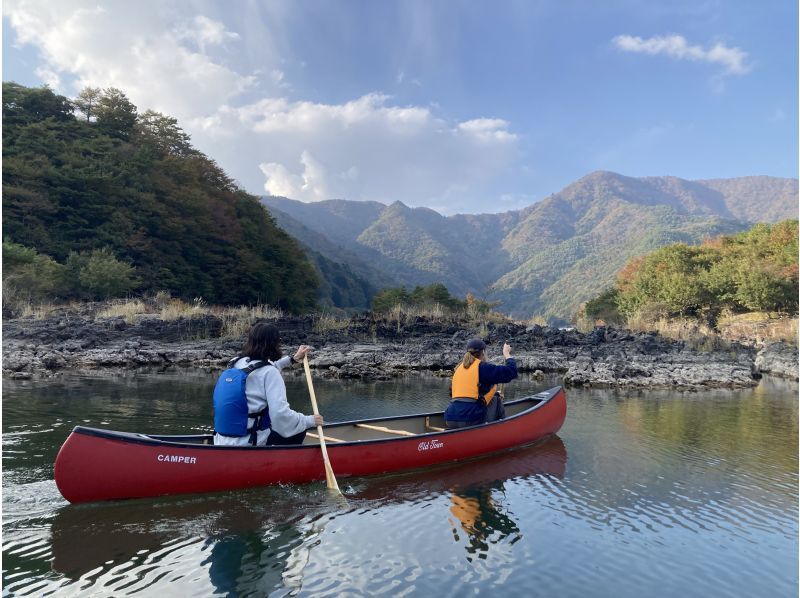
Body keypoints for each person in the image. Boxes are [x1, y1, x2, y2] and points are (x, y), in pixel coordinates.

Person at [213, 321, 323, 447]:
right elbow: (280, 415)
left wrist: (293, 359)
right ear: (274, 344)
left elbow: (261, 369)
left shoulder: (234, 363)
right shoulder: (270, 373)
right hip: (251, 442)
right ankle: (281, 463)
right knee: (298, 428)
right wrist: (309, 420)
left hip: (220, 440)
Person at [444, 338, 517, 429]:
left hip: (450, 418)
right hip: (470, 420)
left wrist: (495, 394)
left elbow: (463, 394)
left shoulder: (458, 369)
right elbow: (511, 372)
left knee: (495, 397)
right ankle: (503, 431)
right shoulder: (482, 367)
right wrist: (507, 354)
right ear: (483, 352)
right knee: (496, 401)